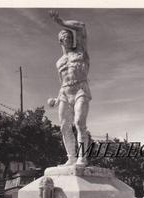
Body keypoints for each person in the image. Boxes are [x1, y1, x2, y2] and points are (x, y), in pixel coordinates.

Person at [47, 10, 92, 166]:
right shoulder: (59, 62)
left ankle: (82, 158)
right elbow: (62, 82)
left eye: (70, 37)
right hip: (65, 93)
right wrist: (57, 98)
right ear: (60, 41)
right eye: (65, 37)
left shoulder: (81, 52)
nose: (68, 39)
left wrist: (61, 22)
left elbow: (81, 26)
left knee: (79, 123)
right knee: (64, 126)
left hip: (80, 90)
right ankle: (71, 157)